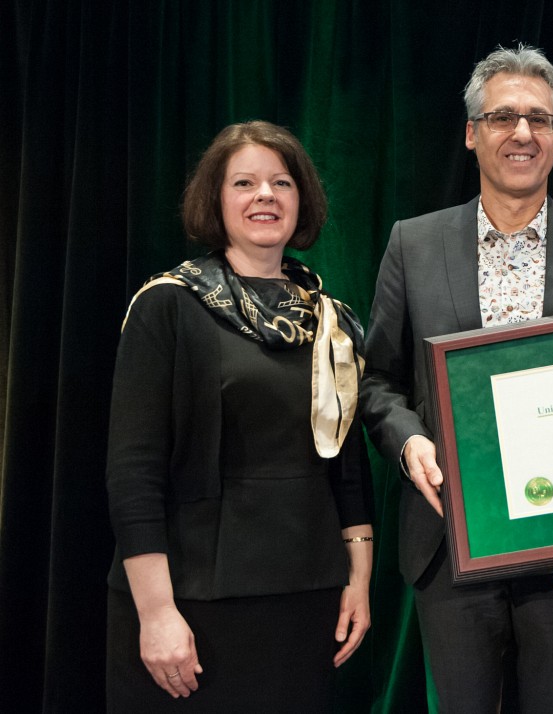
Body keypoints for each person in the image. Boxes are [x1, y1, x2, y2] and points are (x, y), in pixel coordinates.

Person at [360, 45, 553, 713]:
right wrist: (409, 444)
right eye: (503, 117)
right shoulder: (413, 242)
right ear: (471, 133)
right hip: (451, 540)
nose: (523, 133)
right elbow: (378, 381)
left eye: (541, 119)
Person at [105, 121, 374, 712]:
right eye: (244, 182)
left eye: (282, 182)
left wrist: (359, 581)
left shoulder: (330, 319)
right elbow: (133, 474)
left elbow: (348, 468)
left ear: (302, 199)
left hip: (309, 598)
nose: (265, 195)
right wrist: (156, 614)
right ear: (215, 200)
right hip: (192, 603)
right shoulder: (167, 304)